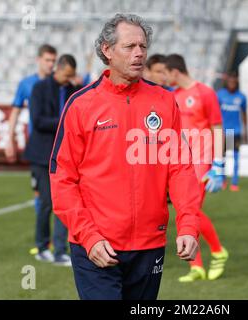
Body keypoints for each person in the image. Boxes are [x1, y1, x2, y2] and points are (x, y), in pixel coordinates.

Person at [49, 14, 201, 300]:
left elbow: (180, 168)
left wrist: (189, 224)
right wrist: (88, 236)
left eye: (143, 46)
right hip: (96, 246)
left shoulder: (164, 100)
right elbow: (62, 178)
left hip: (149, 244)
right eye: (130, 46)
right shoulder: (81, 105)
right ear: (107, 50)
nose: (139, 54)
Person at [165, 53, 229, 282]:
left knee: (190, 212)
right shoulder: (175, 96)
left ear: (174, 71)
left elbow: (218, 128)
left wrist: (219, 165)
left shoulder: (205, 92)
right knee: (186, 213)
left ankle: (218, 251)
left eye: (165, 73)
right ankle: (197, 267)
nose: (163, 77)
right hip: (184, 164)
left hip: (203, 163)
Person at [24, 54, 80, 266]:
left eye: (71, 76)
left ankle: (60, 250)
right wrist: (65, 121)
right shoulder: (39, 88)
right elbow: (37, 121)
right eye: (66, 75)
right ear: (58, 69)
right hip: (41, 155)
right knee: (46, 202)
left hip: (65, 156)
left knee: (63, 202)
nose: (68, 79)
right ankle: (41, 246)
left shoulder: (74, 90)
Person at [5, 44, 57, 248]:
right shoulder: (27, 84)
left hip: (58, 146)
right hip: (39, 147)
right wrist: (9, 139)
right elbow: (16, 111)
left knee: (60, 196)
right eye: (47, 60)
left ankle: (57, 240)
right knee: (41, 197)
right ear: (38, 60)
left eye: (53, 61)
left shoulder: (59, 83)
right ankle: (46, 239)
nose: (50, 64)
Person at [217, 72, 247, 191]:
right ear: (226, 81)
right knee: (222, 157)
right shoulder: (220, 95)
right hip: (224, 131)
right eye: (230, 81)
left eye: (234, 81)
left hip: (236, 131)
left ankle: (234, 183)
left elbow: (244, 113)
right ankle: (222, 180)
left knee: (236, 158)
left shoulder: (241, 97)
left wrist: (246, 129)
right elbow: (214, 113)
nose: (232, 83)